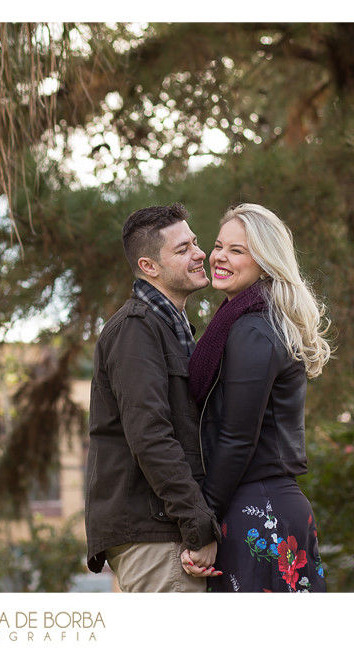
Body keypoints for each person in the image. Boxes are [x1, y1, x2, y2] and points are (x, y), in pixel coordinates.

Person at [182, 203, 331, 592]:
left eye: (237, 250)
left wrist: (203, 527)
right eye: (219, 246)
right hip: (257, 503)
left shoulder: (252, 329)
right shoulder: (246, 320)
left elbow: (237, 437)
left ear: (264, 262)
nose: (220, 257)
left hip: (258, 509)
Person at [85, 202, 222, 593]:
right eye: (182, 249)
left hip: (166, 528)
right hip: (156, 533)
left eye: (195, 243)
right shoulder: (135, 330)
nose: (200, 254)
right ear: (149, 267)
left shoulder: (172, 329)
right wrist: (197, 525)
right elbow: (150, 436)